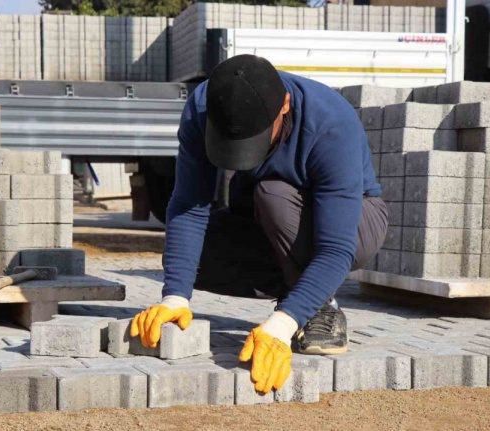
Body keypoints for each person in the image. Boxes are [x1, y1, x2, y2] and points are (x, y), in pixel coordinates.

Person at [130, 54, 388, 394]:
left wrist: (282, 325)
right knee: (193, 256)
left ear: (283, 106)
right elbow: (189, 206)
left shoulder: (329, 122)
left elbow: (335, 248)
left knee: (273, 194)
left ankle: (320, 306)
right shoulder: (202, 106)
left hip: (355, 223)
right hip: (270, 220)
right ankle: (303, 292)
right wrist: (175, 297)